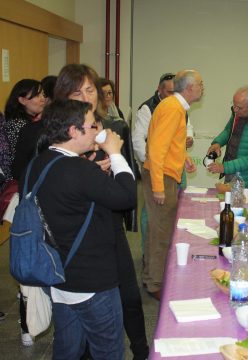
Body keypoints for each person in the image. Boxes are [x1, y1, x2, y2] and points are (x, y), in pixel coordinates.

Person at [53, 63, 149, 359]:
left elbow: (129, 179)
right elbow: (53, 175)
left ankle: (142, 350)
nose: (85, 96)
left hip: (109, 223)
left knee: (130, 296)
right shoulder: (59, 133)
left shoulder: (111, 129)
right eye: (76, 90)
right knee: (84, 313)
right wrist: (89, 173)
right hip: (77, 234)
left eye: (90, 89)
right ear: (63, 96)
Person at [28, 99, 135, 359]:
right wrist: (116, 154)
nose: (98, 129)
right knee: (108, 350)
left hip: (59, 276)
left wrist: (92, 172)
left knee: (67, 349)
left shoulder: (40, 163)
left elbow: (68, 193)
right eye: (92, 125)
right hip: (92, 280)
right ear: (73, 131)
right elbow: (127, 196)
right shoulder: (79, 170)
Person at [141, 69, 201, 299]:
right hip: (161, 176)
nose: (202, 88)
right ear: (188, 88)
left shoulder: (175, 107)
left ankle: (151, 277)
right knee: (161, 232)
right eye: (200, 84)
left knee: (160, 229)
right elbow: (156, 150)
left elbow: (169, 142)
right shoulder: (173, 108)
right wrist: (158, 186)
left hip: (166, 173)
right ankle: (155, 284)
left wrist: (184, 158)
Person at [1, 79, 45, 346]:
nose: (42, 99)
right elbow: (15, 166)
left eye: (43, 95)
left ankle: (28, 318)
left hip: (25, 193)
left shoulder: (31, 124)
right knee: (26, 253)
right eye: (36, 95)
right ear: (21, 99)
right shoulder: (21, 127)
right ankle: (27, 323)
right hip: (24, 195)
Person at [206, 86, 248, 187]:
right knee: (226, 202)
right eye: (234, 105)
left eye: (239, 107)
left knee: (243, 203)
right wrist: (218, 142)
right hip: (230, 172)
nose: (235, 110)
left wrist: (224, 167)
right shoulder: (237, 113)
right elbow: (229, 130)